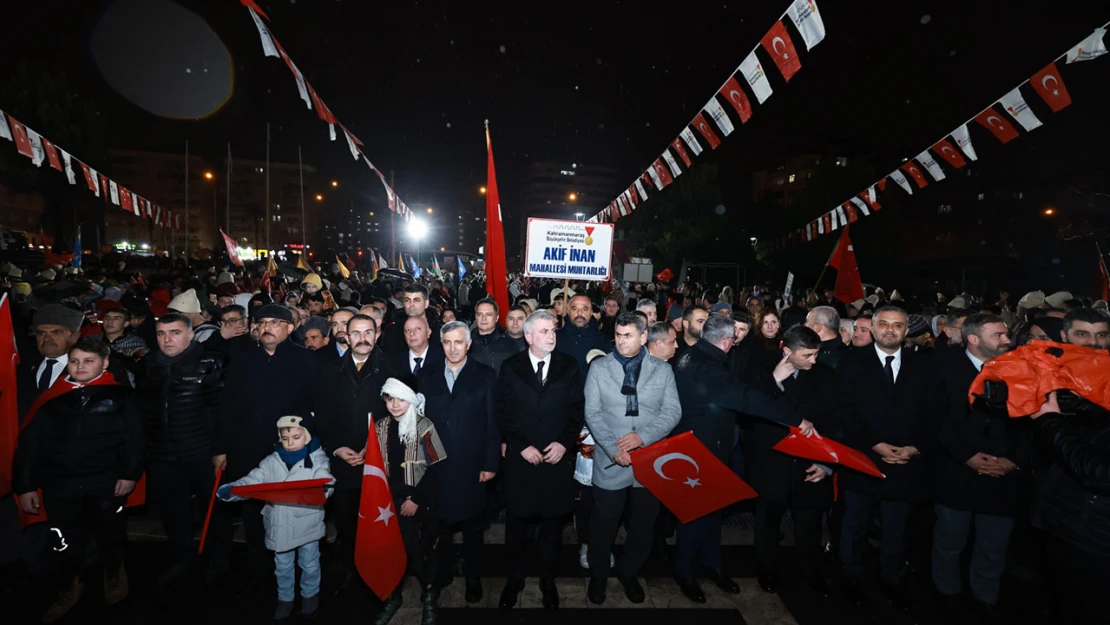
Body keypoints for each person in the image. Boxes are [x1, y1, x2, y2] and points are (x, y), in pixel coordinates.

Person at [14, 338, 144, 622]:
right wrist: (23, 486)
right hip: (60, 484)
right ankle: (70, 585)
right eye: (74, 361)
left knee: (110, 532)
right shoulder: (51, 398)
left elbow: (135, 439)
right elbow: (29, 445)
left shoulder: (122, 397)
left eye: (88, 361)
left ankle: (113, 573)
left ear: (104, 363)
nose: (80, 367)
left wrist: (129, 474)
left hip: (106, 482)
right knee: (63, 539)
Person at [584, 313, 681, 605]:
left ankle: (630, 572)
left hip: (649, 460)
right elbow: (592, 413)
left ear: (643, 337)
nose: (621, 340)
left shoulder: (662, 370)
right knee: (603, 525)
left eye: (628, 335)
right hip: (611, 460)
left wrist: (643, 438)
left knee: (643, 526)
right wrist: (614, 447)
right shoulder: (600, 368)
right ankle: (599, 576)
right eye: (618, 334)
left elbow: (672, 412)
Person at [496, 310, 585, 610]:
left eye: (554, 331)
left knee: (551, 529)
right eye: (545, 331)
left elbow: (576, 411)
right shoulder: (511, 367)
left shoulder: (569, 365)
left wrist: (564, 443)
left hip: (555, 462)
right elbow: (503, 412)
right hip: (522, 463)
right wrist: (520, 446)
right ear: (529, 336)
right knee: (517, 527)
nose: (552, 336)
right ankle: (514, 579)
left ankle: (548, 581)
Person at [217, 416, 334, 622]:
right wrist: (233, 490)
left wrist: (324, 489)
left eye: (296, 437)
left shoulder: (318, 459)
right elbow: (253, 481)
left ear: (306, 437)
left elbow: (325, 480)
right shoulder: (271, 461)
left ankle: (310, 595)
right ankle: (285, 598)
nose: (290, 443)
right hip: (279, 524)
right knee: (282, 565)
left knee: (310, 564)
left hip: (306, 522)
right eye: (285, 438)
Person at [418, 321, 500, 603]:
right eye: (447, 342)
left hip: (471, 464)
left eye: (458, 342)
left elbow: (492, 423)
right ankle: (442, 574)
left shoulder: (486, 376)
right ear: (442, 345)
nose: (453, 348)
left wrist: (490, 464)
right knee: (439, 526)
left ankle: (474, 576)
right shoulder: (426, 375)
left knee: (473, 528)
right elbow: (419, 423)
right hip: (436, 464)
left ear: (468, 344)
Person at [372, 377, 448, 625]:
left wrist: (416, 499)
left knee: (422, 550)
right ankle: (393, 596)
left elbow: (437, 466)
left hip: (419, 499)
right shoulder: (380, 426)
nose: (395, 405)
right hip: (388, 500)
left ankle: (429, 595)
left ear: (411, 400)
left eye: (401, 399)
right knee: (391, 549)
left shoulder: (424, 425)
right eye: (390, 398)